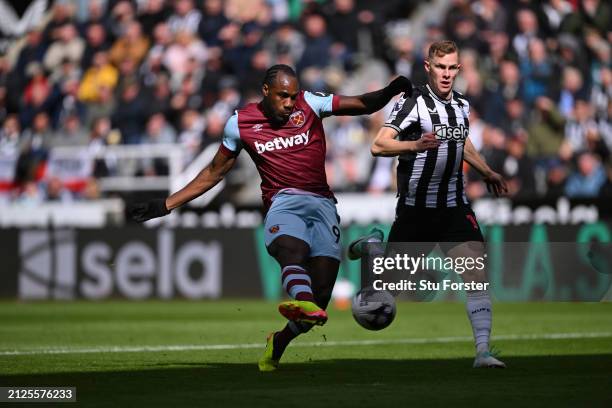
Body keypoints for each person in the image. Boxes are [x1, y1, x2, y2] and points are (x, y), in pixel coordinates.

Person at [128, 64, 412, 371]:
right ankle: (302, 298)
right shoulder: (240, 123)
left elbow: (361, 103)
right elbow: (214, 172)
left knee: (318, 307)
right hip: (283, 202)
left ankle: (278, 340)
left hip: (322, 204)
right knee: (291, 249)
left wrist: (389, 90)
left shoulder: (311, 103)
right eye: (283, 96)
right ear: (266, 91)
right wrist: (165, 205)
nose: (290, 103)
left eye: (293, 96)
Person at [349, 41, 508, 368]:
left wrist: (487, 171)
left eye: (452, 67)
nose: (446, 74)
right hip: (416, 211)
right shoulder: (412, 103)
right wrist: (414, 144)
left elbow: (462, 142)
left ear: (459, 69)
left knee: (476, 275)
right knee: (387, 294)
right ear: (428, 67)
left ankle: (483, 352)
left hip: (454, 207)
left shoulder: (462, 105)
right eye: (441, 67)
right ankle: (373, 249)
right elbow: (379, 146)